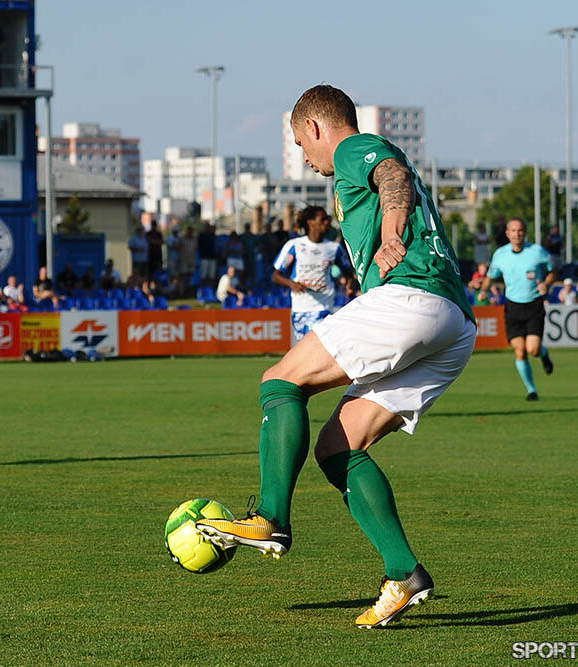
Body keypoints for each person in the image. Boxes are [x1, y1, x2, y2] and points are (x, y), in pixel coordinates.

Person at [195, 84, 477, 630]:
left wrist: (392, 228)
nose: (305, 158)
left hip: (413, 296)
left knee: (280, 382)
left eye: (302, 143)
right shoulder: (350, 168)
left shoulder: (351, 148)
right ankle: (404, 573)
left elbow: (391, 173)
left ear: (318, 128)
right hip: (455, 322)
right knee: (337, 447)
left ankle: (271, 517)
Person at [482, 218, 555, 401]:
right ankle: (532, 391)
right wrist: (483, 290)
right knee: (520, 351)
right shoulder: (500, 254)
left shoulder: (537, 252)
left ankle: (543, 354)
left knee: (533, 350)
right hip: (512, 306)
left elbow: (553, 271)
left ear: (525, 232)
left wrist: (546, 284)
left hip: (534, 305)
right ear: (508, 234)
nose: (517, 234)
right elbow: (491, 276)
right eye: (513, 231)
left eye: (520, 230)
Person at [272, 206, 351, 345]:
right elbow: (276, 276)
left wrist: (350, 283)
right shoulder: (294, 245)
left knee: (321, 353)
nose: (327, 222)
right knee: (300, 358)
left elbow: (349, 272)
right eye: (323, 219)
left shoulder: (334, 248)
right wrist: (292, 284)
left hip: (324, 309)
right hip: (300, 310)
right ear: (311, 223)